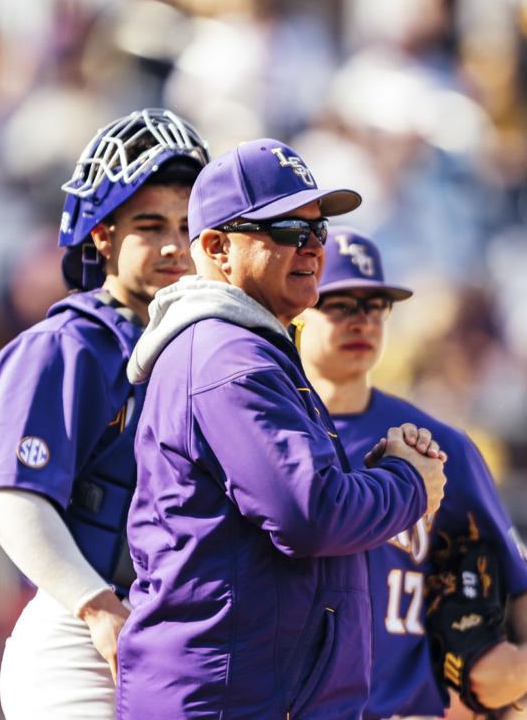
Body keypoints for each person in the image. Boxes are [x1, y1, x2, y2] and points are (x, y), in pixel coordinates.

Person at [117, 139, 448, 719]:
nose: (314, 249)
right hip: (225, 701)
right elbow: (309, 515)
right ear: (218, 246)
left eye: (318, 231)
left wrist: (375, 473)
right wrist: (408, 484)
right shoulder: (227, 359)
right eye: (288, 230)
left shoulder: (251, 349)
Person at [0, 109, 210, 718]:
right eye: (149, 225)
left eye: (188, 226)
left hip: (177, 636)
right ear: (102, 235)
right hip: (81, 631)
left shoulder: (208, 350)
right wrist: (95, 606)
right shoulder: (65, 345)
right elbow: (12, 497)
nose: (173, 245)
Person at [296, 227, 527, 720]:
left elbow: (519, 580)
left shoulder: (441, 444)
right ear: (299, 314)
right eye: (340, 304)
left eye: (375, 306)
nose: (361, 321)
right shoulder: (267, 437)